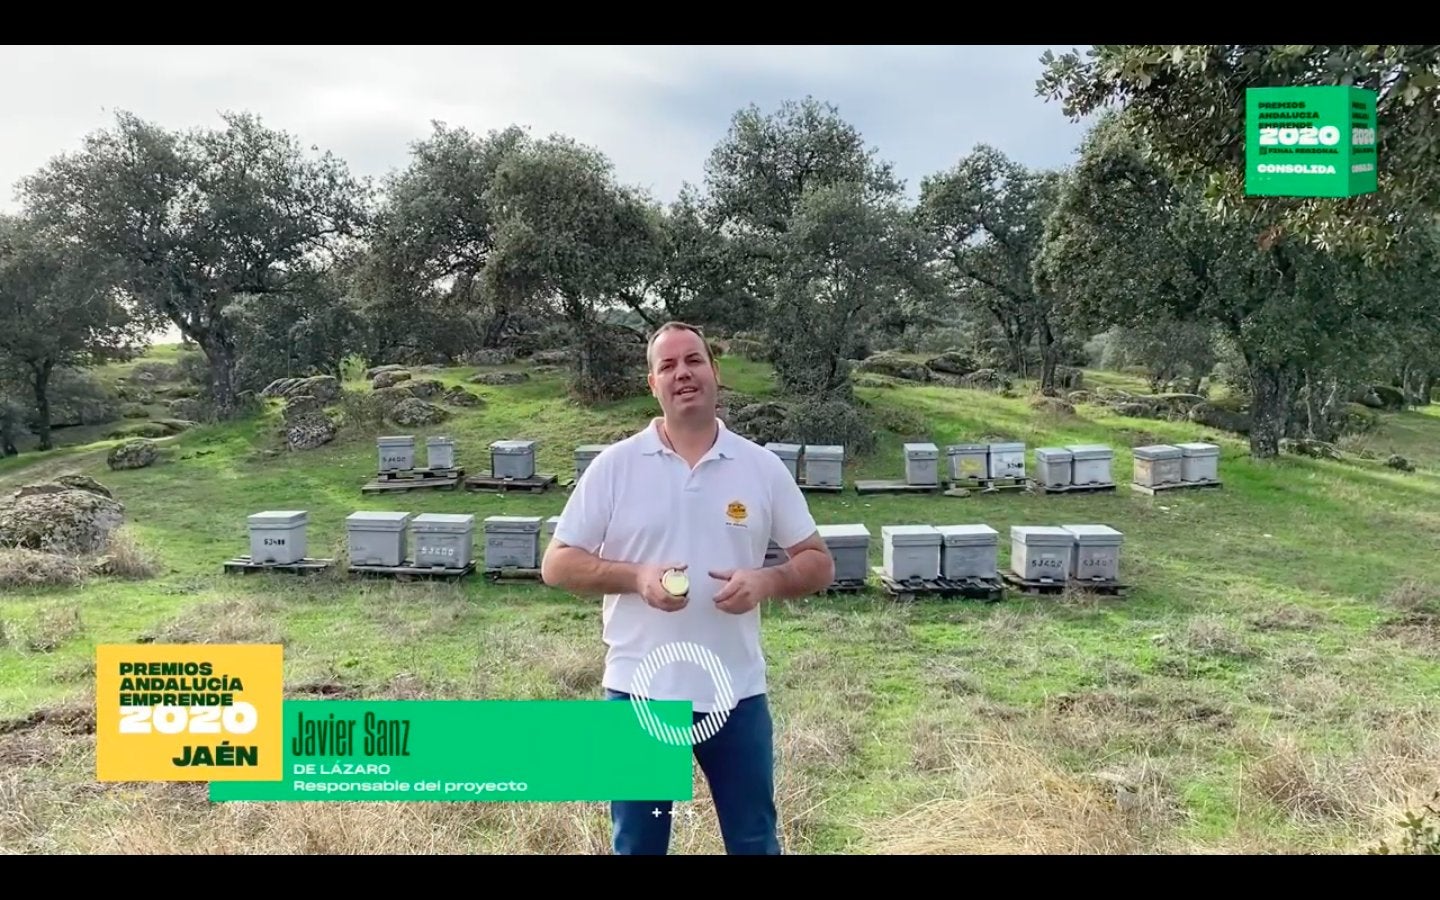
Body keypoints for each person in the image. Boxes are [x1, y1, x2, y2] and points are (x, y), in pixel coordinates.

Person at [540, 320, 836, 855]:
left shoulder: (761, 468)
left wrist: (766, 580)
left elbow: (817, 562)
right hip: (639, 696)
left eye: (693, 360)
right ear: (652, 383)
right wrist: (635, 578)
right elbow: (557, 564)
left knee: (753, 841)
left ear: (715, 372)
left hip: (735, 695)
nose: (682, 374)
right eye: (668, 365)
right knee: (639, 847)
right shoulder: (615, 468)